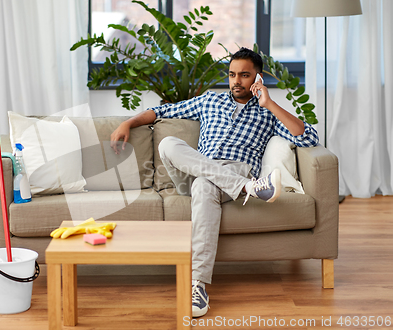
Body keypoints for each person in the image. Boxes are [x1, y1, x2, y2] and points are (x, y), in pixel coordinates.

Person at [110, 47, 319, 317]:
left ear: (258, 78)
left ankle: (197, 285)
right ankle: (249, 189)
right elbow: (162, 110)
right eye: (232, 74)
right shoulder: (210, 100)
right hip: (200, 171)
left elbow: (307, 138)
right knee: (169, 143)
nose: (236, 81)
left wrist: (269, 104)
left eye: (244, 75)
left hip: (229, 172)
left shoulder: (268, 113)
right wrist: (129, 122)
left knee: (204, 185)